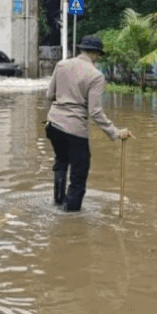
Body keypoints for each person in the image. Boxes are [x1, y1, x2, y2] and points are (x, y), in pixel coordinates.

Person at [44, 35, 132, 212]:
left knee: (61, 162)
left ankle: (58, 202)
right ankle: (71, 217)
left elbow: (49, 95)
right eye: (99, 55)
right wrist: (115, 132)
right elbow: (95, 112)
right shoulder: (96, 76)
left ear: (81, 49)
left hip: (53, 125)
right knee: (79, 173)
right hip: (74, 130)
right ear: (96, 53)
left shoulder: (61, 65)